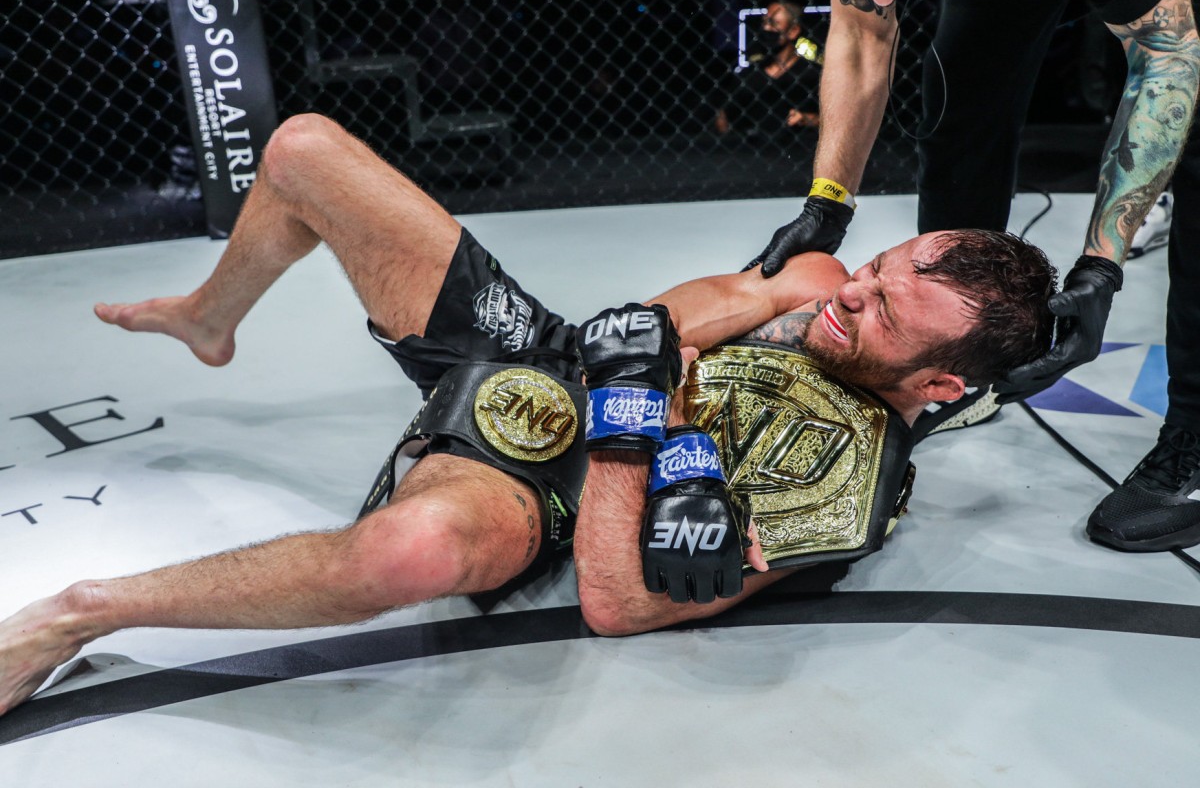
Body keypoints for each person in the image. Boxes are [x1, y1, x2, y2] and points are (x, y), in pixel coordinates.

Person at [0, 112, 1056, 718]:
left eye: (880, 312)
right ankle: (209, 316)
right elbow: (660, 317)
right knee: (305, 150)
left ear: (941, 385)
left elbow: (618, 599)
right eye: (873, 270)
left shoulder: (846, 486)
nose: (847, 295)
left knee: (407, 552)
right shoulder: (819, 280)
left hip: (556, 482)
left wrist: (642, 421)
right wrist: (645, 357)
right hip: (549, 357)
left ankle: (77, 610)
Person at [745, 0, 1200, 549]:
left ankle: (1195, 430)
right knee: (961, 87)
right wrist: (828, 202)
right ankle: (958, 364)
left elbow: (1166, 51)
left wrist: (1101, 269)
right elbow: (863, 30)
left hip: (1169, 25)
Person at [714, 0, 823, 137]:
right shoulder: (749, 74)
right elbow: (723, 121)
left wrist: (806, 118)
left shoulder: (813, 74)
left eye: (774, 23)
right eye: (765, 22)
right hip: (750, 153)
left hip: (798, 152)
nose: (766, 28)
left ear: (793, 31)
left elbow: (833, 120)